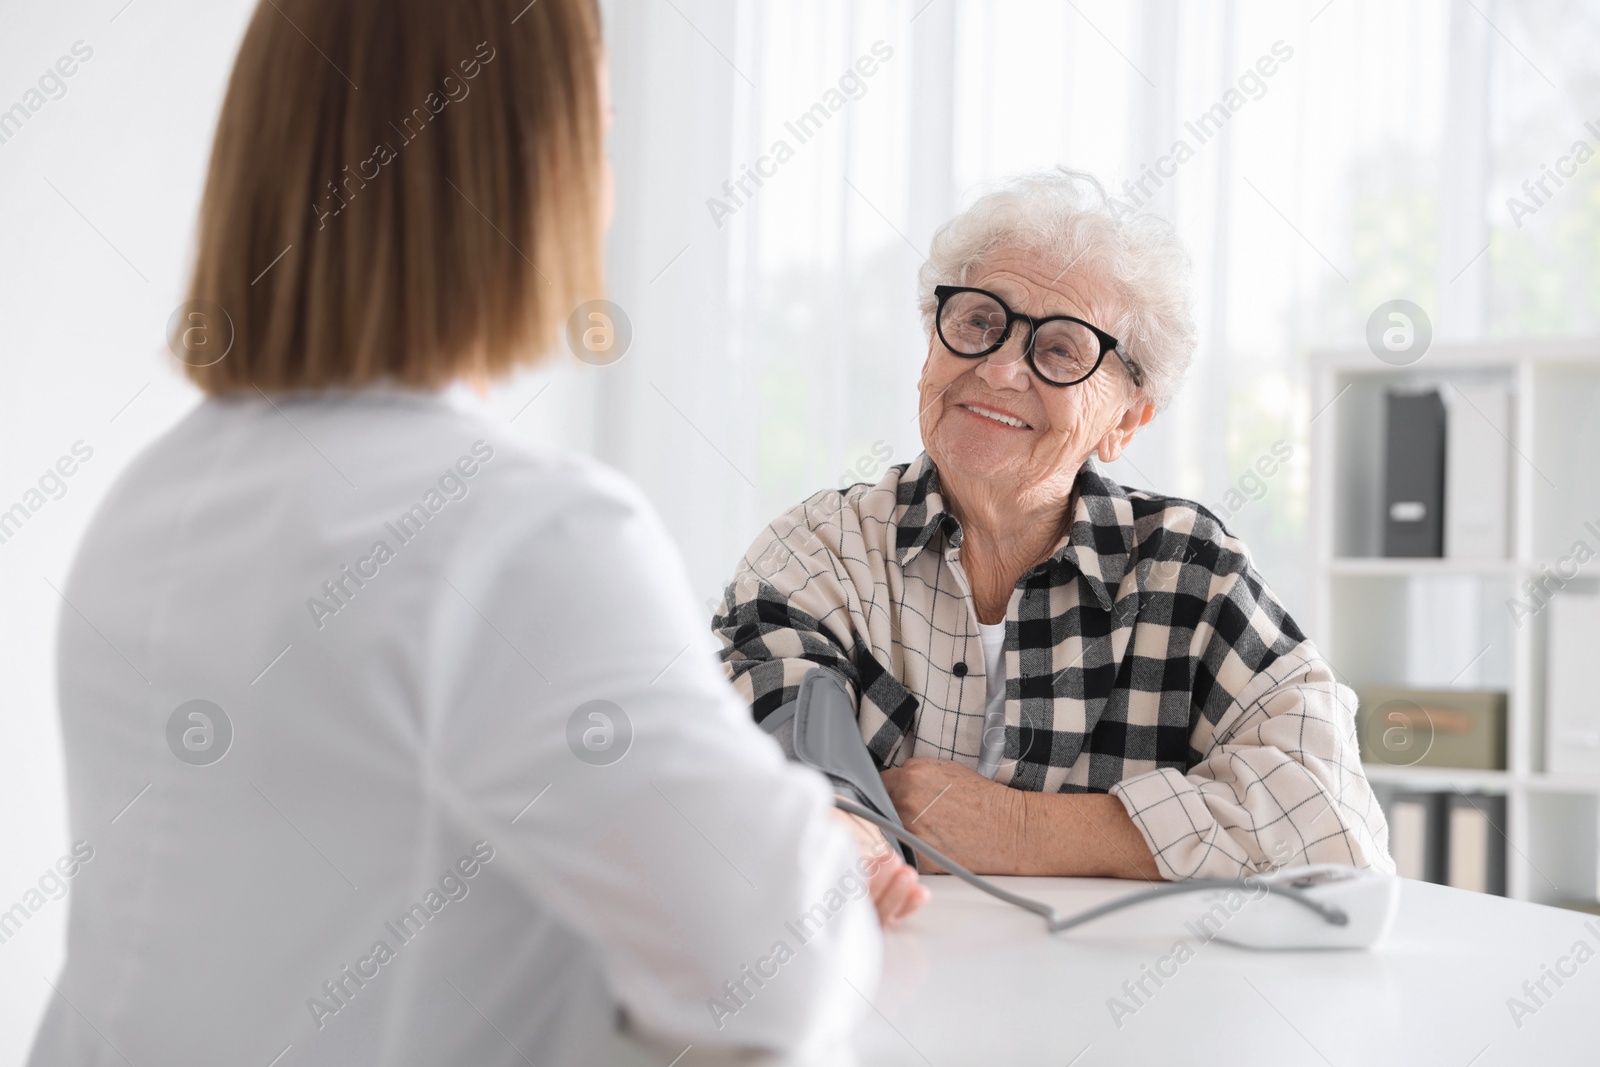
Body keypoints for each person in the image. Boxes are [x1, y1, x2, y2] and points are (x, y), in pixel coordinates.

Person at [30, 3, 919, 1065]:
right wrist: (814, 836)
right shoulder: (516, 534)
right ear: (533, 170)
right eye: (602, 129)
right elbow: (775, 974)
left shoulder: (155, 491)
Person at [714, 169, 1393, 883]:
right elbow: (767, 769)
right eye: (978, 322)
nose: (1002, 370)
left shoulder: (1189, 571)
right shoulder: (819, 553)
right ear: (930, 348)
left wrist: (1022, 830)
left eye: (1062, 350)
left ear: (1127, 419)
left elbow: (1337, 821)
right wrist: (837, 828)